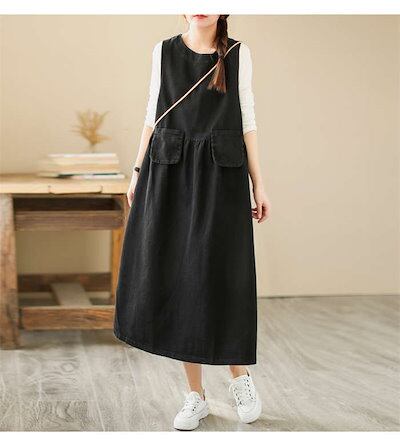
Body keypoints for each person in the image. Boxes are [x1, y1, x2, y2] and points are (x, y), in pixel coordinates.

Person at [113, 14, 271, 431]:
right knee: (180, 277)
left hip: (222, 174)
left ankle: (240, 378)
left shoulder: (238, 53)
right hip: (170, 170)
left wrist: (259, 184)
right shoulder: (163, 51)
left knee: (224, 274)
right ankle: (195, 396)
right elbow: (153, 113)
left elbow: (247, 120)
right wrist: (136, 172)